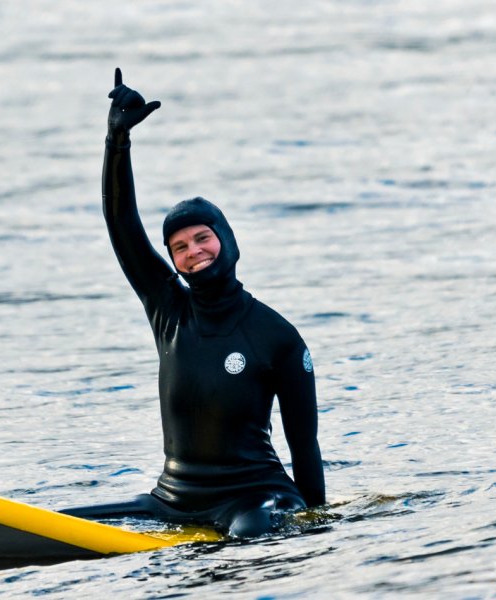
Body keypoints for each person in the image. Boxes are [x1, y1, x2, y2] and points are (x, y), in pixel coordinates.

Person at [61, 69, 325, 538]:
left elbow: (304, 447)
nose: (193, 252)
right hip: (174, 499)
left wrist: (322, 527)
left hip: (254, 496)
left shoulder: (276, 337)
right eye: (179, 247)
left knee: (251, 534)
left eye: (202, 238)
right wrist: (116, 141)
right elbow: (120, 222)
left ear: (225, 239)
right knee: (61, 524)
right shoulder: (169, 310)